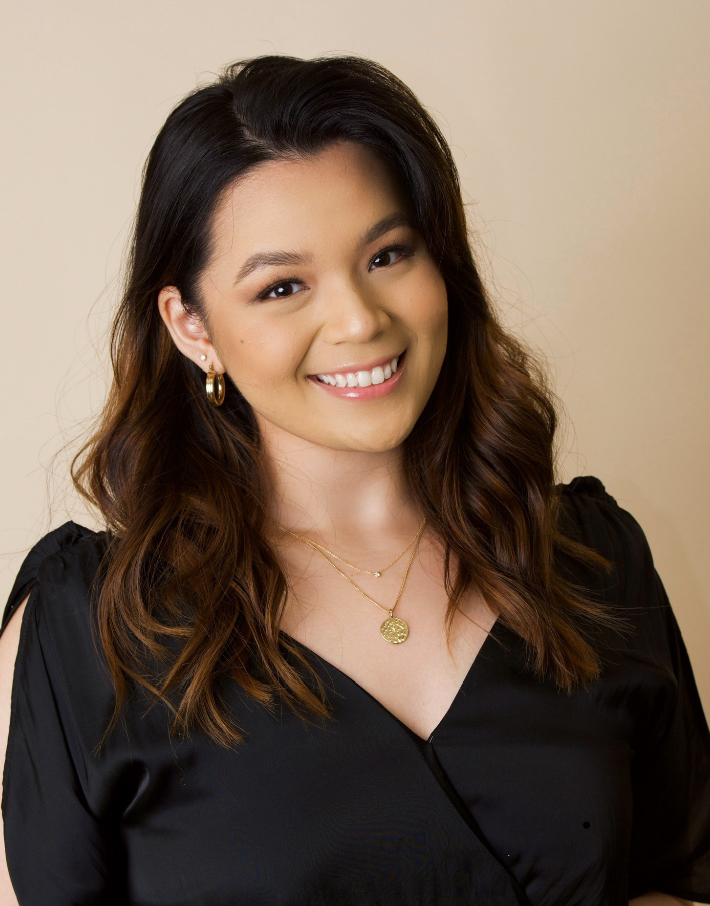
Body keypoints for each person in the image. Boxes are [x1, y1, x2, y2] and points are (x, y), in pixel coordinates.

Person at [0, 53, 708, 906]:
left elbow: (678, 879)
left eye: (387, 255)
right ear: (192, 327)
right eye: (282, 286)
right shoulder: (90, 629)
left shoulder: (592, 559)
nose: (359, 320)